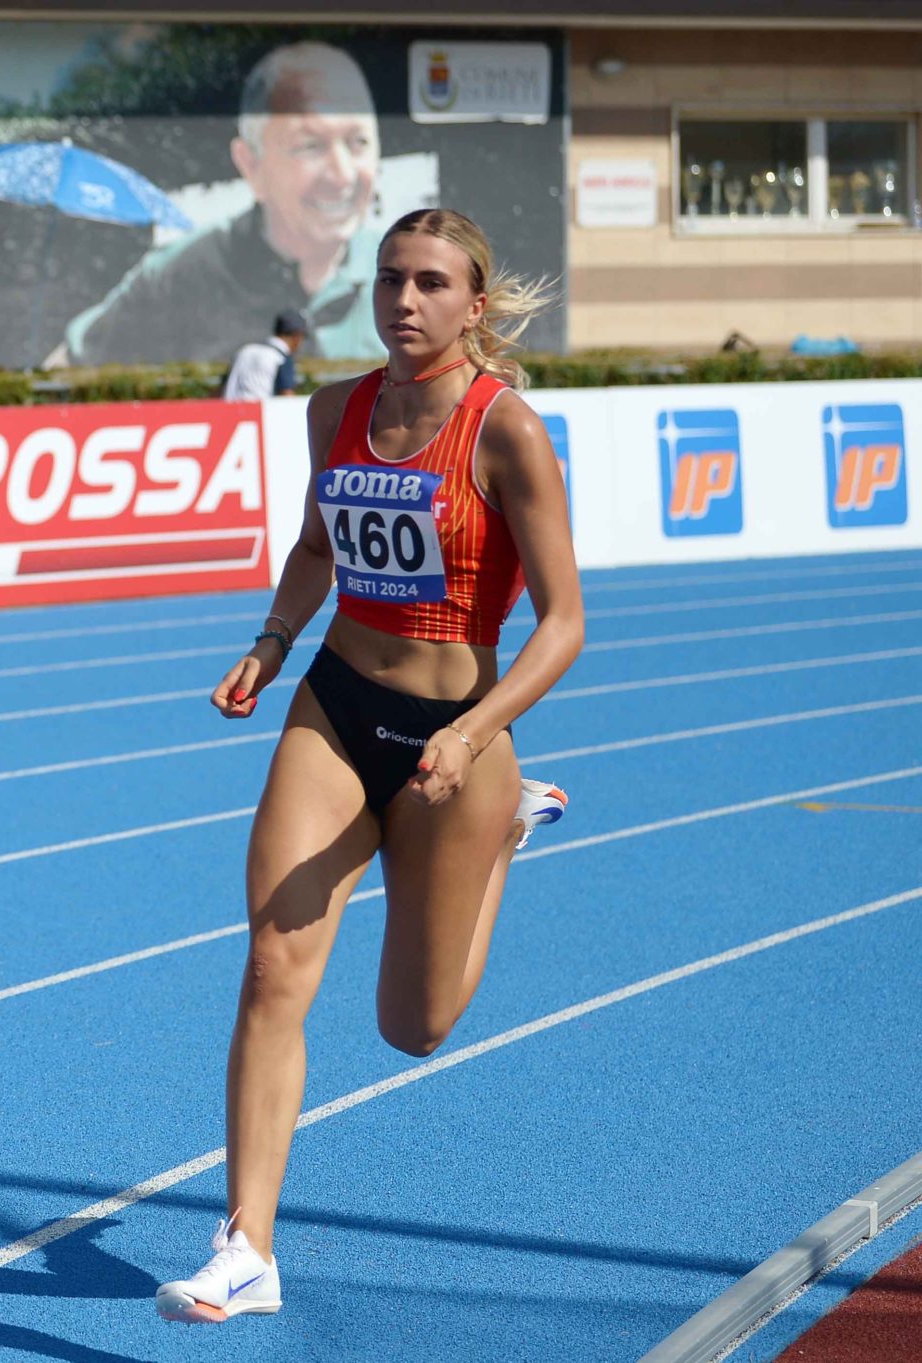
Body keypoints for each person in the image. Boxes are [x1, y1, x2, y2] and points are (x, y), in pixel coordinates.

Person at [155, 208, 581, 1324]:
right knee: (271, 964)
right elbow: (315, 546)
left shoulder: (504, 431)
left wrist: (476, 734)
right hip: (337, 707)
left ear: (473, 303)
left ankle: (505, 831)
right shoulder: (333, 409)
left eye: (431, 282)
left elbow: (563, 624)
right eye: (391, 278)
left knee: (413, 1027)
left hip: (455, 737)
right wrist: (269, 643)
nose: (404, 300)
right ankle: (246, 1246)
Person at [62, 41, 386, 366]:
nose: (342, 175)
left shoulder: (402, 269)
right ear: (251, 165)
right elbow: (62, 373)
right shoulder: (180, 276)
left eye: (358, 142)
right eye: (310, 146)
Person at [223, 310, 305, 401]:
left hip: (227, 408)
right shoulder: (281, 358)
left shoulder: (244, 351)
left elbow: (222, 389)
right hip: (260, 409)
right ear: (297, 336)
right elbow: (287, 396)